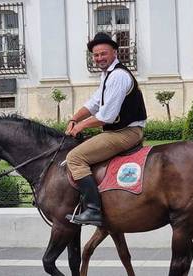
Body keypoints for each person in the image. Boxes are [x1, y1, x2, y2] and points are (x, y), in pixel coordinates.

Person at [65, 32, 147, 226]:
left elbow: (106, 116)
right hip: (119, 131)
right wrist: (74, 118)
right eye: (96, 55)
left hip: (125, 133)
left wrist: (81, 126)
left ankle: (93, 209)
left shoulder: (118, 75)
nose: (99, 58)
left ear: (115, 52)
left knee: (74, 158)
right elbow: (94, 103)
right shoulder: (107, 75)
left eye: (103, 53)